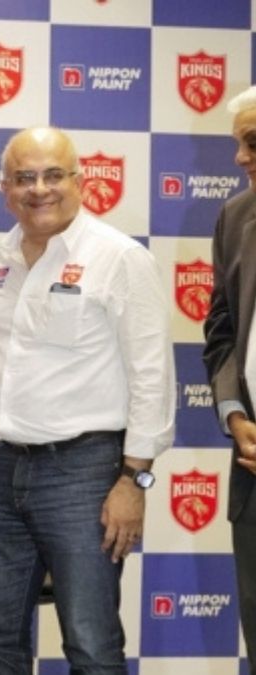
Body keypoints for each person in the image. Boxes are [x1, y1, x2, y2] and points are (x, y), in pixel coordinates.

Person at [0, 126, 174, 673]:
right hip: (2, 471)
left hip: (85, 474)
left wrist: (133, 481)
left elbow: (153, 377)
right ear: (6, 190)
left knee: (91, 643)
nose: (39, 189)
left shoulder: (119, 258)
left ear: (79, 182)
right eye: (24, 178)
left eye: (52, 175)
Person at [204, 84, 256, 669]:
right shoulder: (235, 215)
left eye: (253, 142)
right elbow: (220, 329)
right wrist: (233, 412)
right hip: (252, 472)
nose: (240, 157)